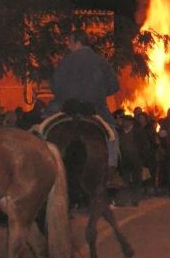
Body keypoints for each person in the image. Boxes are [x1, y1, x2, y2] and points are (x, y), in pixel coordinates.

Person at [45, 29, 120, 168]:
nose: (67, 45)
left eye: (69, 42)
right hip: (96, 109)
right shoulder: (102, 62)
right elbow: (114, 86)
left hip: (66, 107)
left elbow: (55, 87)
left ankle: (42, 166)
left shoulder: (64, 62)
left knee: (42, 130)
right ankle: (112, 170)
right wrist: (99, 92)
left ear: (77, 42)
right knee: (112, 135)